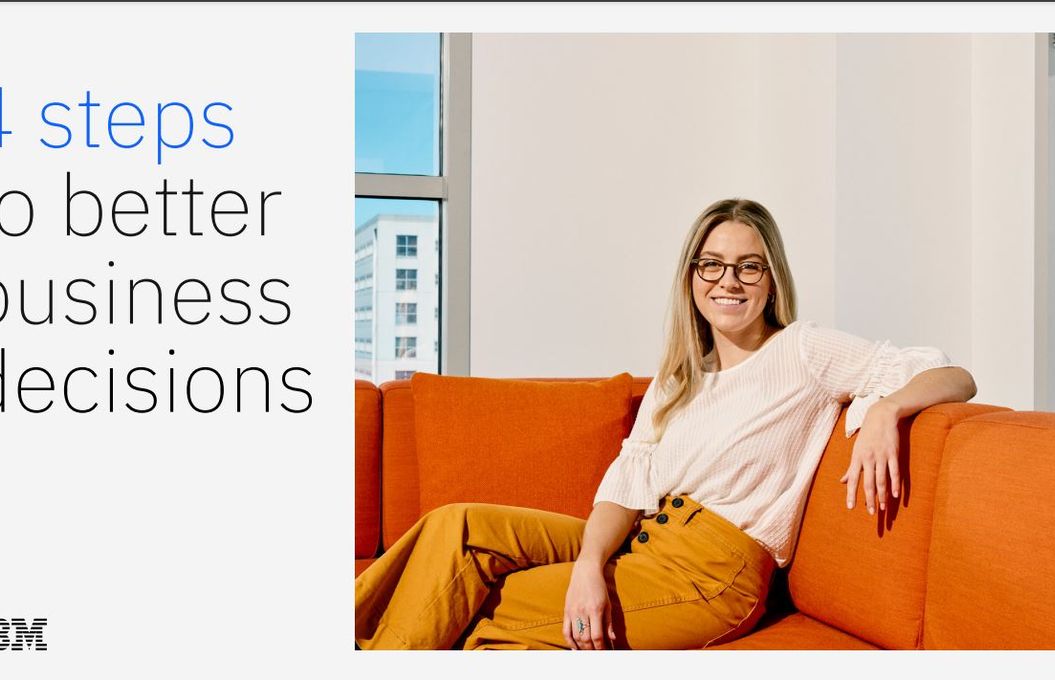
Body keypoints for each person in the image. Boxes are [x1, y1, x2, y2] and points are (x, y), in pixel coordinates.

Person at [355, 198, 976, 650]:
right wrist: (589, 567)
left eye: (748, 266)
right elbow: (628, 478)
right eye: (712, 264)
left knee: (484, 611)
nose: (728, 281)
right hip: (648, 538)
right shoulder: (679, 377)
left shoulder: (803, 351)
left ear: (770, 279)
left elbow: (948, 373)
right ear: (691, 277)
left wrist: (888, 409)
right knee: (456, 526)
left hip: (713, 575)